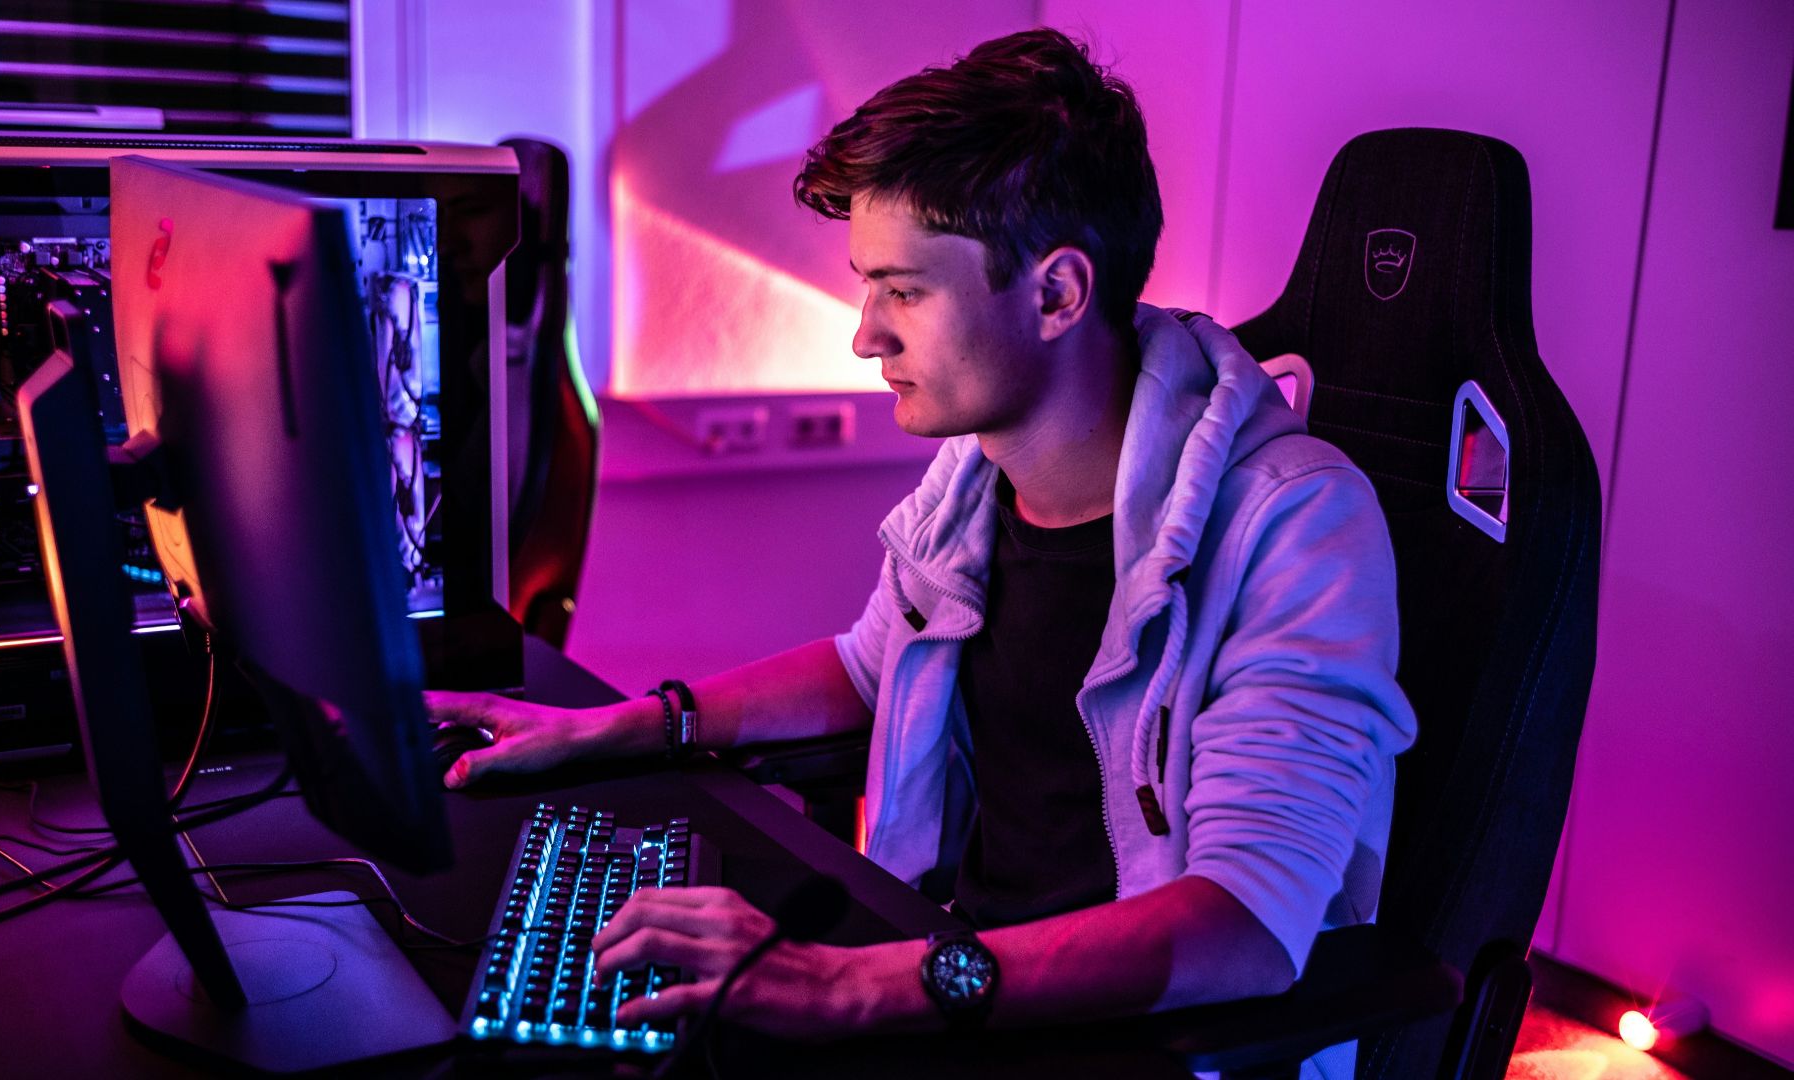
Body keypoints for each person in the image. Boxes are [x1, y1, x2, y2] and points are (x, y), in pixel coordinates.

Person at [428, 26, 1415, 1074]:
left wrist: (841, 983)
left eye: (903, 290)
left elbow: (1244, 928)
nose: (865, 334)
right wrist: (611, 728)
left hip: (1141, 1043)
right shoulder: (980, 473)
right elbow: (871, 665)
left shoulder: (1293, 526)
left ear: (1056, 294)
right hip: (959, 972)